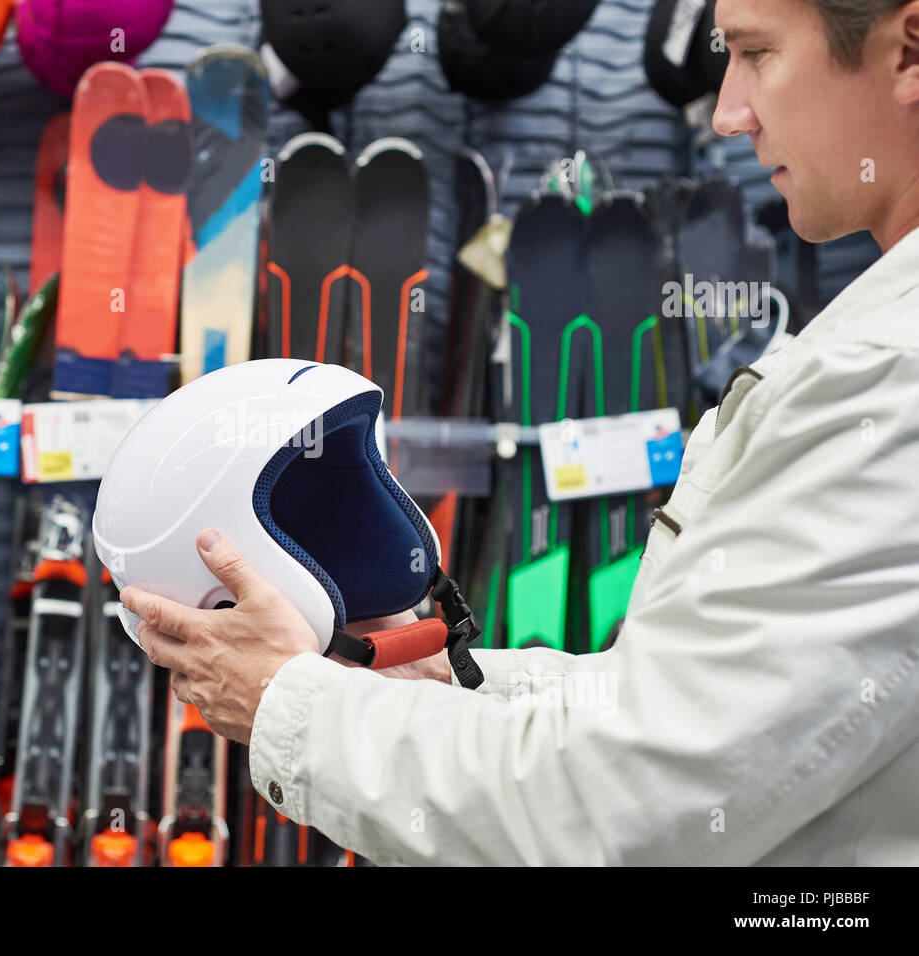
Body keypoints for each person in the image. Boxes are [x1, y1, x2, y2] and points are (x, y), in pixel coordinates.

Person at [121, 0, 919, 865]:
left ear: (909, 50)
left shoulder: (888, 375)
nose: (730, 111)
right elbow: (683, 725)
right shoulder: (876, 348)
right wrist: (438, 683)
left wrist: (284, 703)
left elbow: (630, 806)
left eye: (758, 53)